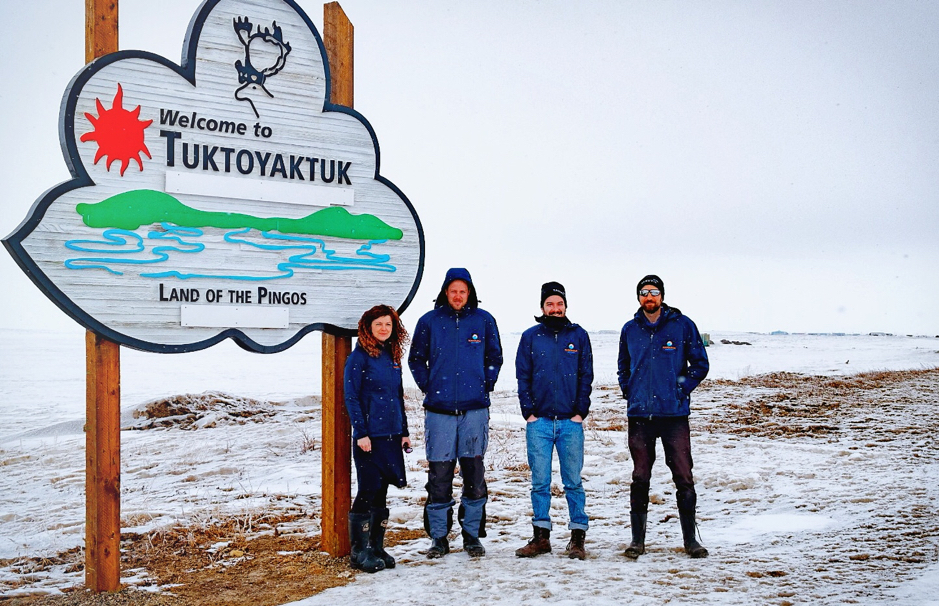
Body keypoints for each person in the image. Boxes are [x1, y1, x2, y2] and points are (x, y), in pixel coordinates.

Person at [408, 268, 503, 559]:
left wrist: (484, 385)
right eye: (453, 291)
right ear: (445, 292)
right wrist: (430, 386)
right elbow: (415, 359)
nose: (458, 296)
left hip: (474, 411)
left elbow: (495, 357)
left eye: (463, 291)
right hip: (439, 412)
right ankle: (439, 537)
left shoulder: (484, 321)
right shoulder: (429, 322)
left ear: (470, 292)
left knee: (474, 474)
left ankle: (472, 535)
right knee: (439, 475)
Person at [617, 275, 710, 559]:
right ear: (638, 297)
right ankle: (637, 541)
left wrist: (680, 388)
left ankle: (690, 541)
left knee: (683, 475)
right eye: (644, 292)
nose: (649, 296)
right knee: (640, 476)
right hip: (640, 415)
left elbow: (700, 364)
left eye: (654, 292)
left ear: (662, 296)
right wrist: (629, 391)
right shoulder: (630, 329)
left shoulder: (682, 326)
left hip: (674, 415)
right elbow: (624, 366)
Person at [515, 282, 594, 560]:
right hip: (541, 423)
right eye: (550, 304)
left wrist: (580, 411)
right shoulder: (531, 337)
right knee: (540, 482)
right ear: (542, 307)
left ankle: (577, 538)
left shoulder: (579, 336)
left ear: (565, 306)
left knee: (573, 481)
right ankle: (541, 537)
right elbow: (522, 377)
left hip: (570, 423)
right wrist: (529, 412)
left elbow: (586, 376)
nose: (555, 308)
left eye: (559, 304)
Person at [344, 304, 411, 573]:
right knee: (368, 489)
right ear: (368, 327)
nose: (384, 328)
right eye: (378, 324)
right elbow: (352, 397)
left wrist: (404, 431)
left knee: (382, 493)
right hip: (369, 437)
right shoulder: (358, 357)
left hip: (391, 435)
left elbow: (398, 395)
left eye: (388, 324)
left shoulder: (392, 356)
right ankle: (358, 552)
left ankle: (376, 547)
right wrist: (361, 433)